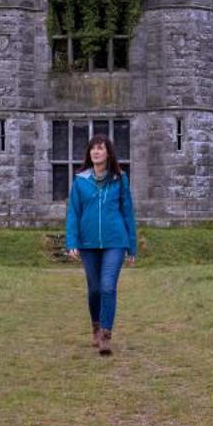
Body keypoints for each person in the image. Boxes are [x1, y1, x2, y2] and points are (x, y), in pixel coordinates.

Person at [63, 134, 136, 356]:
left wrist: (131, 246)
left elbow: (128, 213)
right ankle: (95, 325)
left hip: (115, 241)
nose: (96, 152)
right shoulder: (80, 181)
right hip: (88, 242)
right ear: (89, 154)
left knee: (107, 287)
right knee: (94, 289)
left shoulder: (120, 179)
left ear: (108, 153)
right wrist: (71, 241)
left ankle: (106, 335)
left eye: (101, 148)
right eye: (93, 148)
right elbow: (73, 213)